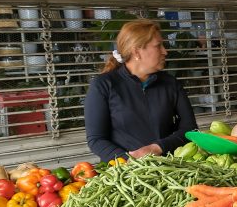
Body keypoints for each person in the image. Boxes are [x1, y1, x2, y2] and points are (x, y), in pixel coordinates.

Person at [84, 19, 197, 162]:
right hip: (122, 174)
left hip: (168, 169)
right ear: (136, 51)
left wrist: (157, 147)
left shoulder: (170, 84)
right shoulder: (103, 85)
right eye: (158, 46)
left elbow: (190, 130)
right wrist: (128, 161)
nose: (165, 51)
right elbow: (97, 139)